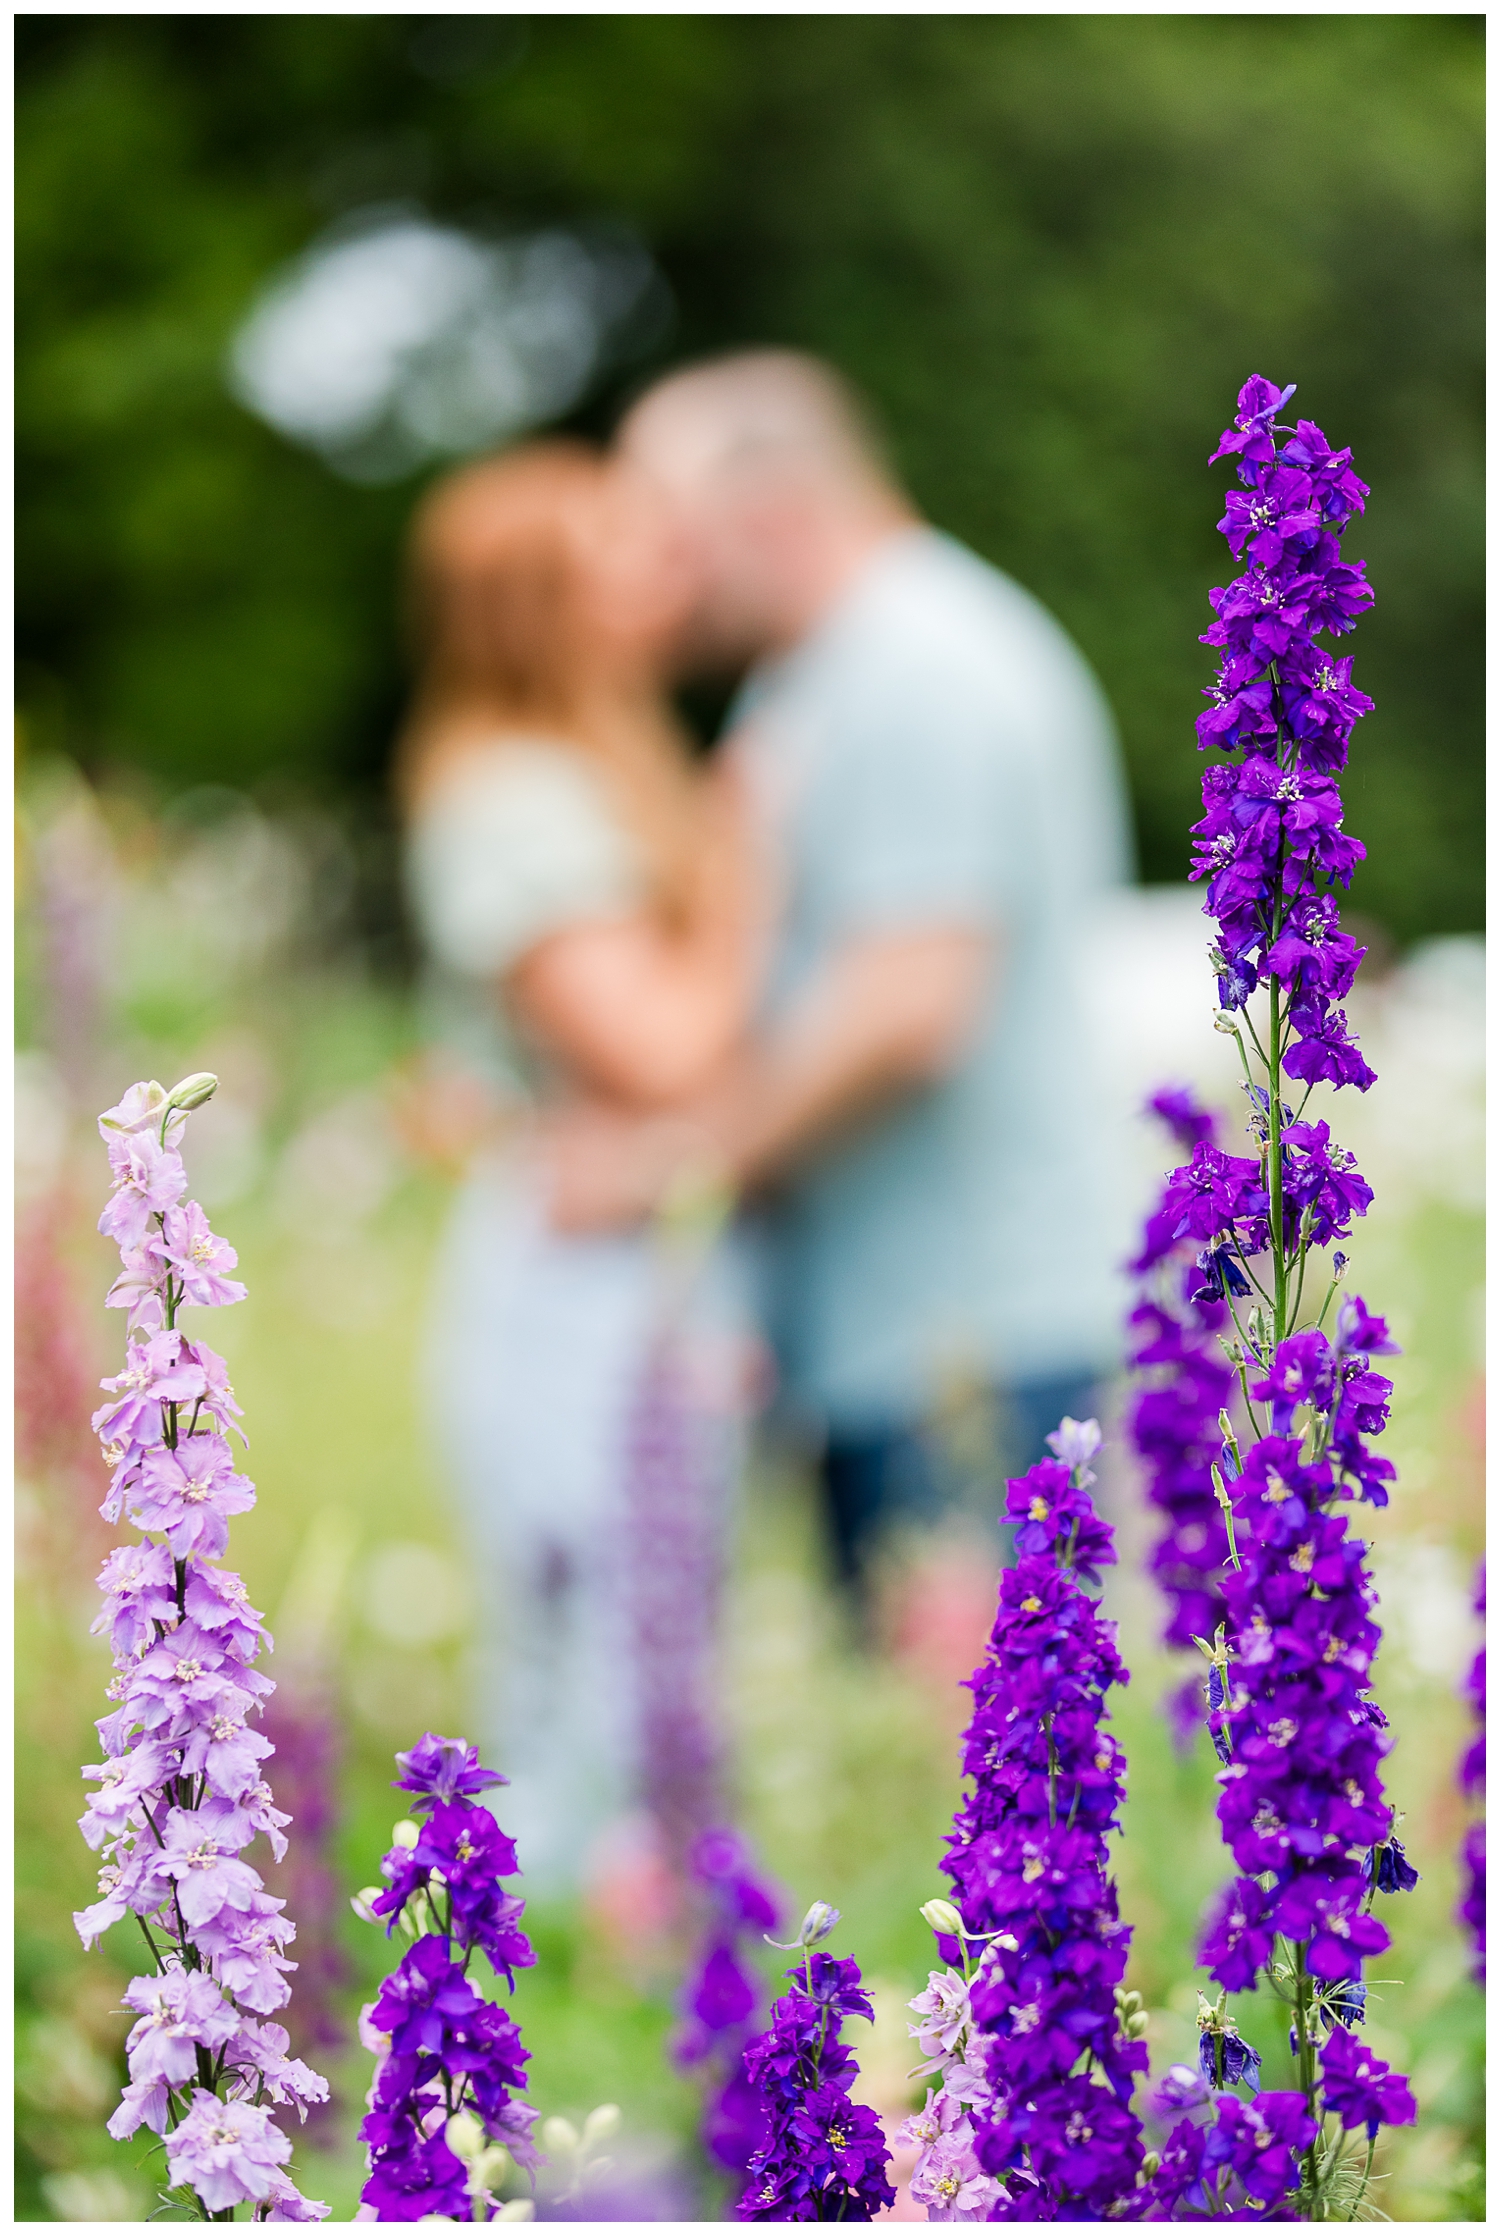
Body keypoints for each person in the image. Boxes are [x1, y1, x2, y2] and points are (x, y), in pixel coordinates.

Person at [546, 351, 1134, 1601]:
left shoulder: (921, 666)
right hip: (899, 1339)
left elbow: (908, 1004)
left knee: (994, 1765)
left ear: (765, 512)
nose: (656, 576)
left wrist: (673, 1167)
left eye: (672, 533)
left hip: (973, 1345)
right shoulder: (822, 674)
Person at [397, 440, 759, 1893]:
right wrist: (748, 871)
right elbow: (662, 1048)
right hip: (570, 1290)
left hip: (637, 1261)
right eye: (626, 541)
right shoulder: (510, 793)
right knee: (587, 1670)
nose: (668, 556)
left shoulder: (609, 764)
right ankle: (550, 2015)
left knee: (660, 1646)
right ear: (546, 601)